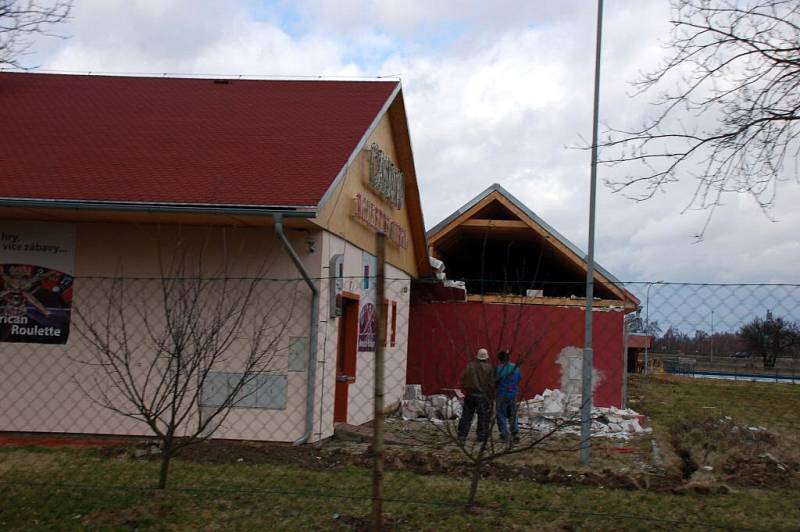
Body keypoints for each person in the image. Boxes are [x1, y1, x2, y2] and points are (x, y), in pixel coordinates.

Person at [457, 347, 494, 444]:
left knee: (466, 416)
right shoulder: (489, 368)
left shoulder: (470, 366)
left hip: (470, 395)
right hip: (482, 396)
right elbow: (491, 384)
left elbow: (463, 379)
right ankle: (481, 436)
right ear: (486, 357)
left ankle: (462, 435)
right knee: (482, 417)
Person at [495, 350, 521, 443]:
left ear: (500, 359)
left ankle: (504, 434)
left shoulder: (498, 369)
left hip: (501, 394)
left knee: (501, 415)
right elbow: (518, 379)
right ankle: (515, 433)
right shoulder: (516, 368)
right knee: (513, 414)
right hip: (513, 394)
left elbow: (495, 382)